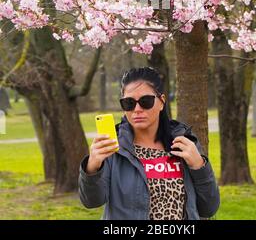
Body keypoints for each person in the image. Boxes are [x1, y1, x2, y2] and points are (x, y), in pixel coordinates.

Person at [79, 66, 220, 220]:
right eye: (129, 103)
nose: (137, 109)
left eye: (146, 101)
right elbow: (91, 201)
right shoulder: (114, 147)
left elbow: (209, 208)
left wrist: (199, 166)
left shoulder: (184, 143)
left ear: (161, 102)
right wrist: (92, 167)